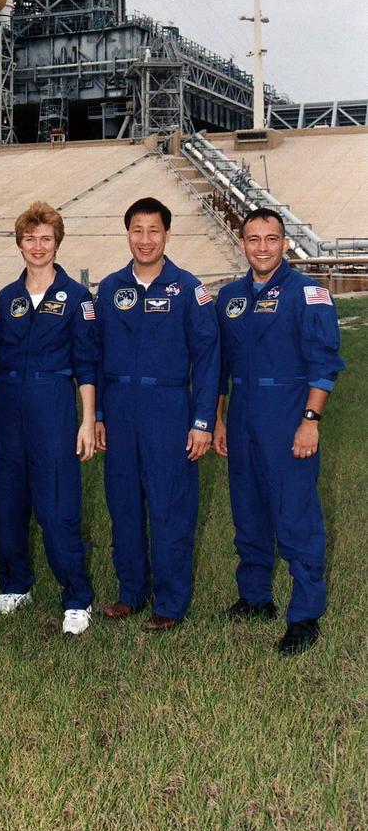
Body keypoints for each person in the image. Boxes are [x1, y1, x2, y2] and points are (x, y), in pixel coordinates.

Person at [214, 208, 344, 655]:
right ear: (243, 242)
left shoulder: (308, 293)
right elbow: (221, 368)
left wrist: (310, 422)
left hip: (287, 415)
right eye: (253, 239)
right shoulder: (229, 297)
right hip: (244, 413)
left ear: (285, 243)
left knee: (294, 515)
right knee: (248, 511)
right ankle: (255, 597)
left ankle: (305, 613)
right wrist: (219, 418)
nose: (262, 247)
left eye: (271, 239)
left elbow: (325, 364)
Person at [94, 197, 219, 631]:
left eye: (154, 230)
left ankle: (170, 601)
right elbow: (96, 355)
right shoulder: (110, 289)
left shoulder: (188, 288)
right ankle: (132, 591)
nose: (145, 239)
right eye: (137, 230)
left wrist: (202, 420)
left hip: (168, 409)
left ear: (167, 234)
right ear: (126, 233)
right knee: (124, 503)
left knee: (170, 506)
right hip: (121, 409)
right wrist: (99, 415)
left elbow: (207, 359)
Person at [0, 202, 98, 636]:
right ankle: (15, 584)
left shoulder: (77, 297)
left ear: (57, 242)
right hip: (7, 403)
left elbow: (87, 363)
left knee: (56, 504)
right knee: (9, 500)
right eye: (30, 239)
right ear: (19, 243)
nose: (38, 246)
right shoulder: (8, 297)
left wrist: (87, 421)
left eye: (45, 238)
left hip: (52, 401)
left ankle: (77, 597)